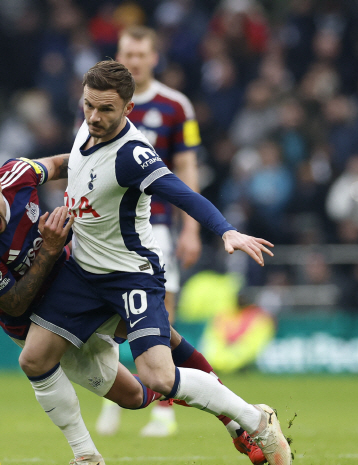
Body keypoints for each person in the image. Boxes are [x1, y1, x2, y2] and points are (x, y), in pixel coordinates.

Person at [20, 60, 292, 465]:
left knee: (157, 376)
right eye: (89, 105)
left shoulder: (133, 154)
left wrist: (226, 230)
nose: (95, 116)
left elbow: (182, 193)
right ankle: (87, 460)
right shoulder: (86, 126)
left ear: (128, 108)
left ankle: (254, 421)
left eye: (107, 109)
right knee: (34, 358)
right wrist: (24, 169)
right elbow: (71, 165)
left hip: (131, 275)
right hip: (82, 274)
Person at [0, 155, 264, 465]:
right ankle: (118, 439)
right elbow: (13, 304)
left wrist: (103, 179)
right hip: (33, 321)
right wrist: (50, 249)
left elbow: (67, 163)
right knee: (136, 398)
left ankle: (239, 423)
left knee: (162, 337)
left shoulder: (19, 174)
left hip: (80, 284)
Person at [97, 25, 203, 437]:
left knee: (163, 314)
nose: (134, 61)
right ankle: (116, 400)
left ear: (154, 57)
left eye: (141, 54)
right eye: (127, 53)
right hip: (107, 226)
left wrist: (190, 229)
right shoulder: (101, 100)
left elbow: (187, 168)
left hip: (156, 225)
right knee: (108, 315)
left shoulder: (175, 106)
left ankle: (165, 408)